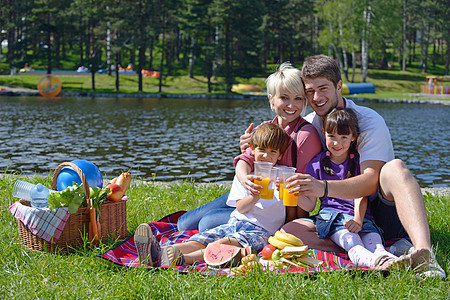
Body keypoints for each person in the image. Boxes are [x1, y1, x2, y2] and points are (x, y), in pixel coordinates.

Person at [278, 54, 444, 278]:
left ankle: (425, 255)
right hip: (338, 217)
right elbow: (279, 140)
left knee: (395, 168)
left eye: (323, 88)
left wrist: (323, 188)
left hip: (380, 213)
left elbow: (370, 183)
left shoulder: (368, 120)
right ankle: (378, 252)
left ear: (339, 86)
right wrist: (251, 147)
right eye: (309, 91)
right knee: (290, 232)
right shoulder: (310, 125)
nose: (316, 97)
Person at [177, 62, 322, 231]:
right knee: (184, 224)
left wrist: (291, 226)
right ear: (271, 99)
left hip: (274, 210)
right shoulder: (265, 127)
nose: (291, 105)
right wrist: (245, 180)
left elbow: (305, 190)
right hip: (252, 194)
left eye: (298, 98)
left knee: (206, 223)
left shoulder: (305, 135)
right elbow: (245, 159)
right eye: (284, 98)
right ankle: (154, 231)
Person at [135, 123, 290, 266]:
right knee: (203, 239)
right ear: (252, 149)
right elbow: (240, 208)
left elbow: (297, 205)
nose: (266, 156)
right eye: (261, 150)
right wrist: (254, 196)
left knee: (222, 244)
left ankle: (180, 259)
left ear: (280, 155)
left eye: (272, 152)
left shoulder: (282, 177)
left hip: (261, 231)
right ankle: (158, 252)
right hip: (235, 222)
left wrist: (287, 189)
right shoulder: (246, 176)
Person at [298, 107, 429, 270]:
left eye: (343, 137)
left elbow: (361, 193)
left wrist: (358, 220)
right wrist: (293, 194)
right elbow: (310, 205)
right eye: (332, 136)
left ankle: (386, 256)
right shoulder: (317, 164)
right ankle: (376, 263)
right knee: (352, 242)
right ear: (324, 133)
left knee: (375, 242)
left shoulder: (357, 162)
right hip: (333, 217)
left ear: (353, 137)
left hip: (363, 217)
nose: (337, 143)